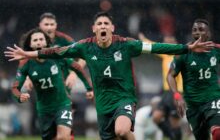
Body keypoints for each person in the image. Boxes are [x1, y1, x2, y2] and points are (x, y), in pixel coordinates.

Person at [5, 11, 215, 140]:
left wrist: (186, 48)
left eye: (106, 23)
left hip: (123, 98)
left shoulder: (125, 44)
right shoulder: (85, 47)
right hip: (102, 104)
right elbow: (55, 51)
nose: (103, 26)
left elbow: (157, 47)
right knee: (115, 135)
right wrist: (27, 53)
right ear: (94, 29)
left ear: (112, 27)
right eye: (100, 24)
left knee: (123, 130)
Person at [11, 28, 93, 140]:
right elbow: (15, 88)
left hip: (62, 104)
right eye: (35, 40)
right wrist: (19, 96)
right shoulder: (26, 63)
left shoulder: (56, 55)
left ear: (46, 42)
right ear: (30, 44)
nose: (39, 42)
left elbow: (77, 67)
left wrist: (89, 88)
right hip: (44, 109)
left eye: (41, 39)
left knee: (63, 137)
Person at [167, 19, 220, 140]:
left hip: (213, 99)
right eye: (194, 30)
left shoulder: (216, 50)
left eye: (201, 29)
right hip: (192, 104)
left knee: (217, 133)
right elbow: (170, 75)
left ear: (208, 34)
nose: (197, 32)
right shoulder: (183, 53)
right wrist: (177, 96)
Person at [23, 12, 85, 91]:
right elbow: (24, 58)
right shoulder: (33, 40)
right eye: (46, 24)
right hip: (39, 82)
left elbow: (84, 54)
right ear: (40, 25)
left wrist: (74, 74)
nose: (49, 28)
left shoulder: (64, 39)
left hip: (62, 82)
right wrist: (27, 77)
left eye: (52, 24)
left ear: (56, 25)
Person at [139, 33, 183, 140]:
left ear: (175, 42)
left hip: (177, 91)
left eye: (168, 42)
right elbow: (153, 47)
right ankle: (172, 136)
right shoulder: (165, 54)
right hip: (166, 92)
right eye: (165, 42)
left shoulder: (180, 54)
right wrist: (143, 39)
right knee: (156, 117)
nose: (165, 44)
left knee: (175, 122)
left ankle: (176, 137)